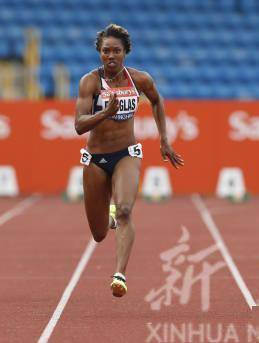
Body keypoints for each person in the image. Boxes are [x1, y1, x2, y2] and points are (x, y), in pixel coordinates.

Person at [74, 24, 184, 297]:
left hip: (126, 153)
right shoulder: (90, 82)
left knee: (124, 209)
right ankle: (108, 218)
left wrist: (164, 139)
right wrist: (104, 113)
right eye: (105, 51)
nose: (110, 56)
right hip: (96, 159)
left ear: (126, 53)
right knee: (99, 234)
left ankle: (119, 274)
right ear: (99, 53)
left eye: (116, 51)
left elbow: (157, 102)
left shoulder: (140, 80)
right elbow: (78, 125)